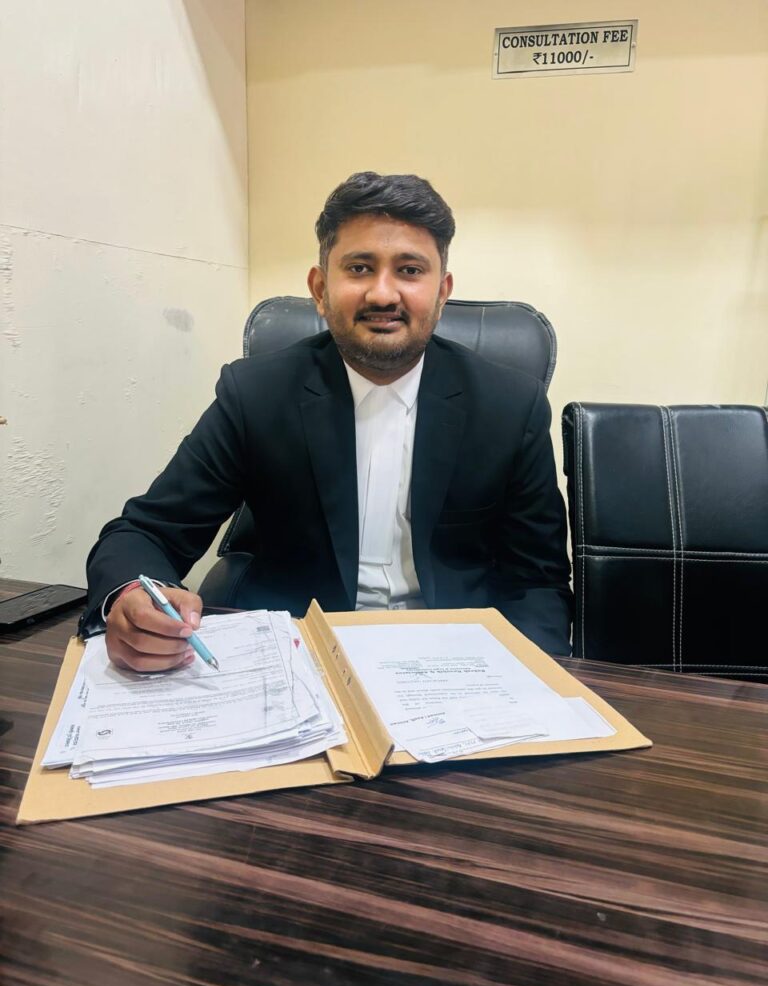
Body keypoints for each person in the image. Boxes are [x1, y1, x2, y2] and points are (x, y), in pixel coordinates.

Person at [81, 171, 572, 670]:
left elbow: (537, 582)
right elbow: (146, 533)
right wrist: (132, 597)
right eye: (359, 268)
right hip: (299, 655)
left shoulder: (510, 405)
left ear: (442, 291)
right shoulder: (256, 394)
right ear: (320, 288)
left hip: (451, 660)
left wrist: (531, 680)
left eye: (409, 270)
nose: (383, 294)